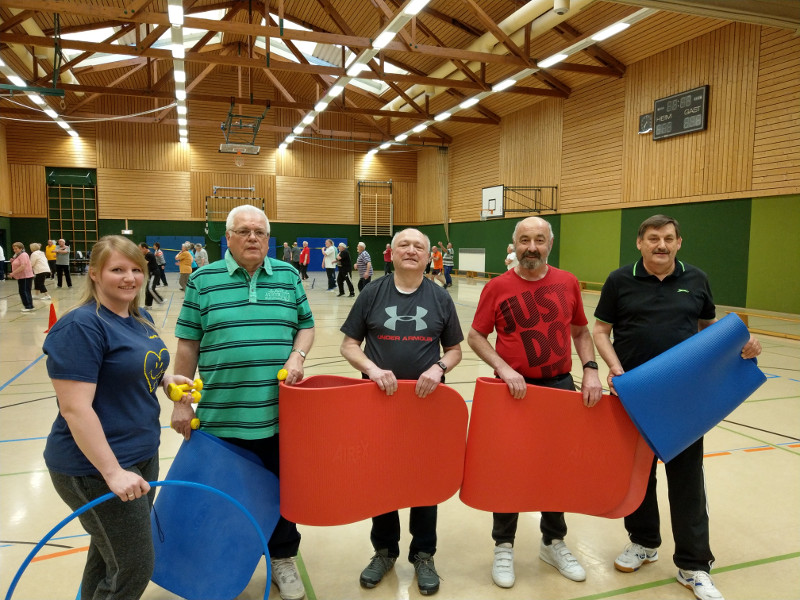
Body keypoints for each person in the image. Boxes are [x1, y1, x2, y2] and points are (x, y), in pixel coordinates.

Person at [592, 214, 762, 600]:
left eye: (668, 238)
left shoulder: (696, 279)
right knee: (638, 476)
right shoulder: (620, 280)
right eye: (653, 238)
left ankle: (694, 565)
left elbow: (710, 332)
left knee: (687, 482)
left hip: (685, 399)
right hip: (635, 397)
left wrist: (743, 344)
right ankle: (644, 542)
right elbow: (600, 330)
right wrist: (614, 367)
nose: (661, 245)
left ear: (679, 242)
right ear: (640, 243)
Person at [169, 205, 315, 600]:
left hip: (281, 416)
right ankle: (223, 563)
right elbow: (187, 343)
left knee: (283, 493)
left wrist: (297, 356)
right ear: (228, 237)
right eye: (243, 231)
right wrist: (182, 402)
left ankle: (283, 559)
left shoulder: (287, 276)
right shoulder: (203, 280)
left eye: (259, 232)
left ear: (268, 238)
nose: (253, 238)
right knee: (226, 495)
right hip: (221, 414)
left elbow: (305, 325)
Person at [42, 235, 184, 599]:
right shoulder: (81, 327)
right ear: (93, 274)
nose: (130, 278)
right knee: (134, 567)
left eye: (137, 269)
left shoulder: (140, 317)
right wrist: (112, 472)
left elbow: (137, 363)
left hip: (139, 455)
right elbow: (75, 408)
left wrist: (166, 379)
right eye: (117, 269)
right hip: (94, 468)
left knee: (109, 557)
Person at [467, 216, 603, 589]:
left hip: (558, 387)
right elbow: (476, 336)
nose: (531, 247)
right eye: (524, 240)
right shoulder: (497, 287)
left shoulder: (568, 282)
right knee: (508, 467)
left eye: (539, 240)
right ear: (515, 244)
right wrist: (503, 368)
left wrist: (590, 369)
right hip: (512, 391)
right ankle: (504, 545)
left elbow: (580, 330)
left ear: (549, 244)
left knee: (555, 467)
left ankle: (553, 541)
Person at [340, 228, 464, 596]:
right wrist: (373, 370)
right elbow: (349, 345)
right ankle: (384, 551)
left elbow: (455, 351)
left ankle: (423, 554)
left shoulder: (440, 297)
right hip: (378, 407)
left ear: (429, 257)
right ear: (389, 254)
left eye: (419, 247)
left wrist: (439, 369)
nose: (411, 251)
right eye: (404, 246)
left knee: (424, 480)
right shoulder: (371, 293)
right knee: (383, 479)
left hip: (427, 409)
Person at [9, 242, 35, 312]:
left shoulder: (23, 255)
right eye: (14, 249)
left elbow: (23, 266)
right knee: (25, 290)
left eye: (16, 249)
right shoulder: (18, 255)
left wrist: (13, 273)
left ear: (21, 248)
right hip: (22, 276)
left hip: (25, 276)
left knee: (24, 291)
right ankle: (29, 305)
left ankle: (28, 306)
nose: (15, 250)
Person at [139, 242, 164, 307]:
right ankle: (148, 305)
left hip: (154, 273)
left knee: (150, 289)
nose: (140, 251)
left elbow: (144, 263)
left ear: (144, 248)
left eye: (140, 249)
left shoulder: (149, 255)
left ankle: (161, 300)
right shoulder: (147, 255)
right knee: (147, 290)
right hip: (150, 274)